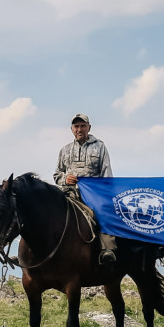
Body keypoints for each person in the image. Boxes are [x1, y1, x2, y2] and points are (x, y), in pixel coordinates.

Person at [54, 113, 118, 264]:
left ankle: (108, 249)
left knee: (103, 212)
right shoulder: (65, 150)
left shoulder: (100, 146)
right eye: (76, 126)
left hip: (94, 193)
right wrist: (65, 179)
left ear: (89, 127)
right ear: (71, 129)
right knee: (48, 210)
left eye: (83, 126)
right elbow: (57, 174)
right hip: (69, 192)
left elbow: (106, 172)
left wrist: (104, 193)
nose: (79, 129)